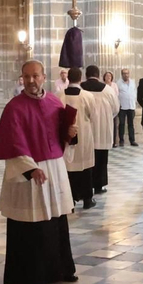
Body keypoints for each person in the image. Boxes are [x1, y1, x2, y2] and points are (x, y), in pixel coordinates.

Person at [0, 61, 79, 284]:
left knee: (56, 220)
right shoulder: (14, 107)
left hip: (55, 168)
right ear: (22, 78)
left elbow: (61, 136)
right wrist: (30, 169)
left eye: (35, 76)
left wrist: (70, 134)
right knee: (31, 225)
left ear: (43, 77)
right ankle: (30, 276)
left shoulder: (53, 101)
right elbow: (12, 143)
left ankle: (60, 269)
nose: (31, 81)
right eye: (27, 76)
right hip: (29, 172)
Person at [61, 68, 97, 209]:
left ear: (68, 78)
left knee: (68, 167)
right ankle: (88, 198)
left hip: (66, 136)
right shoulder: (87, 96)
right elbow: (92, 114)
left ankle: (71, 199)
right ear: (80, 78)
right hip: (84, 133)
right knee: (86, 167)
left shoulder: (58, 95)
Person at [81, 64, 118, 194]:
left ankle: (86, 186)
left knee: (86, 159)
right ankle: (99, 185)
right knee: (101, 159)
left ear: (86, 75)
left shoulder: (80, 89)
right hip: (103, 129)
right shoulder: (107, 90)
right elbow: (116, 109)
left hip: (85, 130)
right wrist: (106, 117)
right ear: (98, 75)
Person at [116, 67, 137, 147]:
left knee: (131, 124)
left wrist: (134, 101)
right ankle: (121, 140)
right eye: (124, 73)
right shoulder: (118, 83)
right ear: (122, 75)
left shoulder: (132, 82)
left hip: (131, 106)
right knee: (121, 124)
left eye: (127, 73)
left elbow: (135, 92)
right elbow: (116, 94)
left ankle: (132, 140)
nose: (126, 75)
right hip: (122, 107)